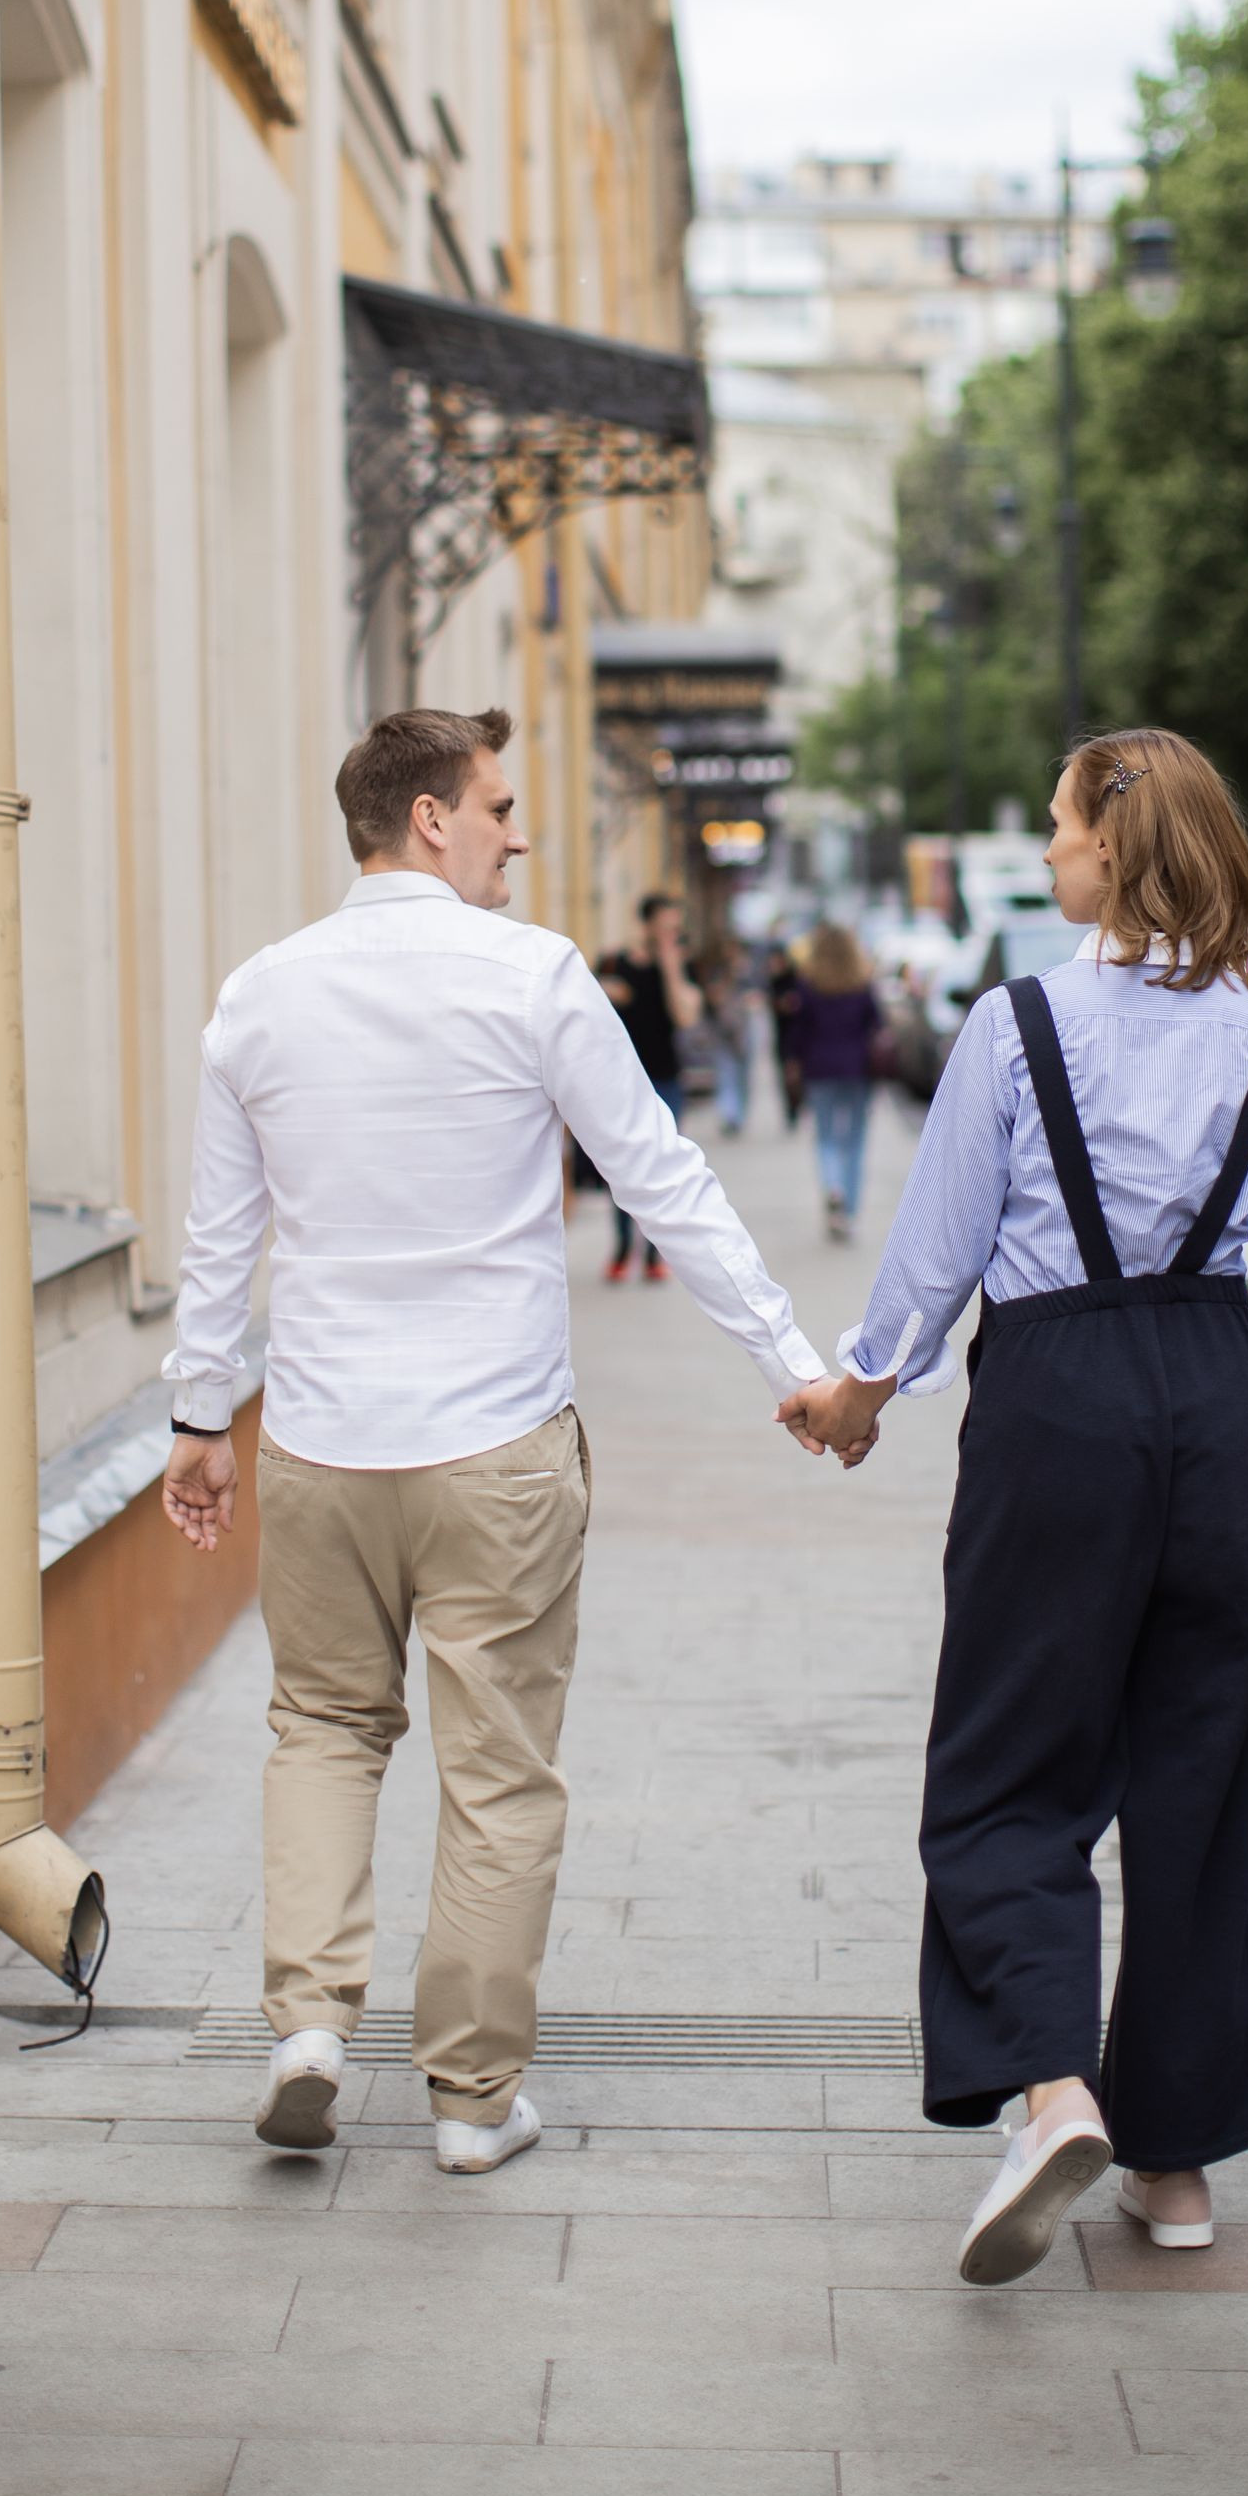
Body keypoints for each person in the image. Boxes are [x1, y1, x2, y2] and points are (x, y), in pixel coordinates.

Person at [160, 710, 833, 2175]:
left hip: (322, 1448)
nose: (519, 834)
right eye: (500, 807)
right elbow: (660, 1175)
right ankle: (470, 2102)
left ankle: (309, 2027)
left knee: (324, 1732)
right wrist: (792, 1361)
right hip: (495, 1447)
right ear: (427, 822)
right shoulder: (531, 978)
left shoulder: (260, 997)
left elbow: (224, 1235)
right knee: (500, 1770)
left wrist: (200, 1419)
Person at [782, 729, 1248, 2285]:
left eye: (1056, 828)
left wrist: (862, 1390)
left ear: (1113, 848)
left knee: (1006, 1770)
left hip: (1059, 1401)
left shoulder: (1019, 1024)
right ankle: (1174, 2171)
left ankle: (1053, 2090)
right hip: (1215, 1388)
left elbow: (938, 1247)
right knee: (1195, 1787)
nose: (1044, 854)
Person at [594, 893, 702, 1281]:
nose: (671, 932)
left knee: (662, 1170)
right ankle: (623, 1248)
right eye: (666, 924)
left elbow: (685, 1016)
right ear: (648, 923)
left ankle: (656, 1256)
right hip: (619, 1081)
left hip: (666, 1079)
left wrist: (671, 964)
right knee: (620, 1169)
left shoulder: (679, 967)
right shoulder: (616, 962)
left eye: (676, 926)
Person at [785, 920, 881, 1241]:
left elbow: (798, 1030)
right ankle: (849, 1211)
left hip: (819, 1068)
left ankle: (833, 1188)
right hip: (857, 1069)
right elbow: (876, 1025)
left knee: (825, 1136)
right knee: (854, 1140)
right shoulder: (861, 983)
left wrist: (793, 1062)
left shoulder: (809, 983)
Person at [699, 937, 756, 1135]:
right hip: (721, 1030)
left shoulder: (746, 973)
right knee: (726, 1073)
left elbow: (758, 996)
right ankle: (730, 1114)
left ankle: (737, 1114)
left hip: (742, 1030)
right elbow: (711, 997)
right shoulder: (716, 974)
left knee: (741, 1074)